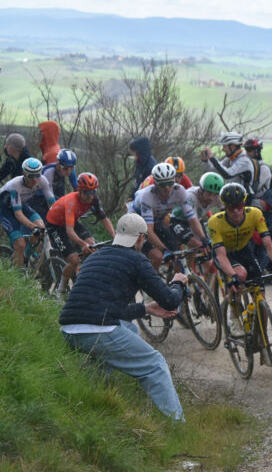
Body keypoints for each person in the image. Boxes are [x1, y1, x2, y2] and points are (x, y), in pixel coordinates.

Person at [58, 213, 188, 421]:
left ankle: (92, 396)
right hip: (98, 331)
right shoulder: (137, 260)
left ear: (118, 234)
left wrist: (146, 309)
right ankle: (176, 424)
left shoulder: (94, 256)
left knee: (130, 330)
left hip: (69, 331)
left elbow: (109, 311)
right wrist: (178, 283)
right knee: (154, 364)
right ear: (140, 239)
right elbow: (171, 301)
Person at [207, 183, 272, 336]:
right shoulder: (215, 221)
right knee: (240, 275)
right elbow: (221, 255)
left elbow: (268, 244)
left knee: (261, 301)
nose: (236, 211)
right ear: (224, 207)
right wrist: (233, 276)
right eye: (231, 208)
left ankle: (262, 339)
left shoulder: (255, 214)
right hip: (226, 254)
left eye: (240, 205)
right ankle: (234, 315)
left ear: (244, 203)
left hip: (244, 251)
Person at [46, 173, 116, 293]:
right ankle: (61, 287)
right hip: (55, 225)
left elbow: (103, 218)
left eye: (93, 192)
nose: (90, 197)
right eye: (86, 193)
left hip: (71, 222)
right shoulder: (71, 201)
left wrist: (115, 236)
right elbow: (69, 231)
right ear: (79, 190)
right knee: (74, 260)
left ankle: (88, 275)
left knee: (92, 245)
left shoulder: (94, 199)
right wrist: (83, 244)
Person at [131, 163, 208, 269]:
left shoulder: (180, 191)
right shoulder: (147, 196)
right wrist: (163, 249)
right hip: (137, 223)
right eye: (162, 184)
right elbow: (148, 230)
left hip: (156, 221)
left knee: (178, 255)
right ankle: (150, 283)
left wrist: (203, 238)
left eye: (170, 183)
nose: (167, 188)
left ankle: (176, 283)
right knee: (157, 256)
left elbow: (192, 219)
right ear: (156, 184)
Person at [0, 158, 55, 267]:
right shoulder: (15, 185)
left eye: (37, 175)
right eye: (31, 176)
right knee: (20, 244)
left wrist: (57, 219)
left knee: (41, 227)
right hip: (4, 209)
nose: (35, 180)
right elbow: (18, 214)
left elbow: (52, 205)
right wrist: (32, 227)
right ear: (24, 173)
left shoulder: (42, 180)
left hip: (20, 204)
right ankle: (17, 280)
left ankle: (26, 256)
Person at [201, 132, 255, 200]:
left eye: (224, 146)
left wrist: (212, 158)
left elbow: (227, 174)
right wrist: (205, 161)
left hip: (246, 198)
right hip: (233, 196)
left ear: (232, 146)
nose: (223, 149)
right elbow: (214, 170)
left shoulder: (244, 161)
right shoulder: (231, 159)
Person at [28, 148, 78, 218]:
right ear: (58, 165)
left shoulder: (68, 169)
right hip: (37, 194)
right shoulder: (49, 172)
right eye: (65, 168)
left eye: (71, 168)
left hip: (52, 188)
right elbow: (49, 196)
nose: (69, 171)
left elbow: (78, 189)